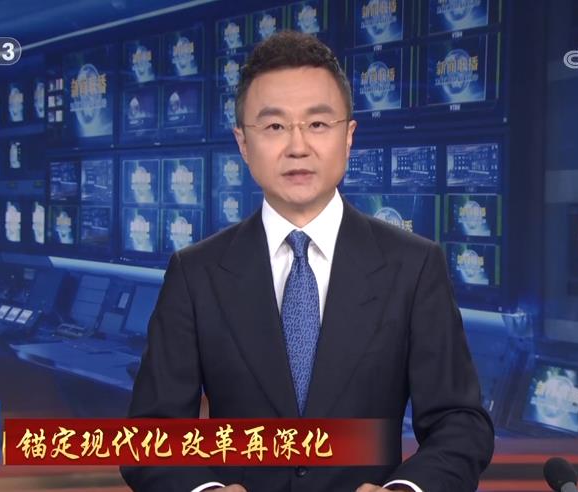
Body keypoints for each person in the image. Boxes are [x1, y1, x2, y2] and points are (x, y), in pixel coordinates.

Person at [122, 30, 494, 492]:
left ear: (348, 137)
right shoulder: (195, 273)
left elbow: (460, 423)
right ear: (243, 144)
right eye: (274, 127)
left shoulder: (414, 266)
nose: (297, 146)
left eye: (317, 124)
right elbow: (149, 436)